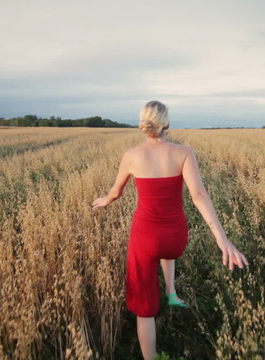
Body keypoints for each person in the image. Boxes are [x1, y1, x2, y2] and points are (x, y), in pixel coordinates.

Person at [91, 100, 249, 359]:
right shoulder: (184, 152)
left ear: (143, 125)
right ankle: (172, 293)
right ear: (167, 124)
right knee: (165, 249)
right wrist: (223, 240)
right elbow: (198, 194)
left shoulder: (131, 155)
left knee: (145, 309)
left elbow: (116, 192)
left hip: (145, 237)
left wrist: (105, 200)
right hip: (176, 238)